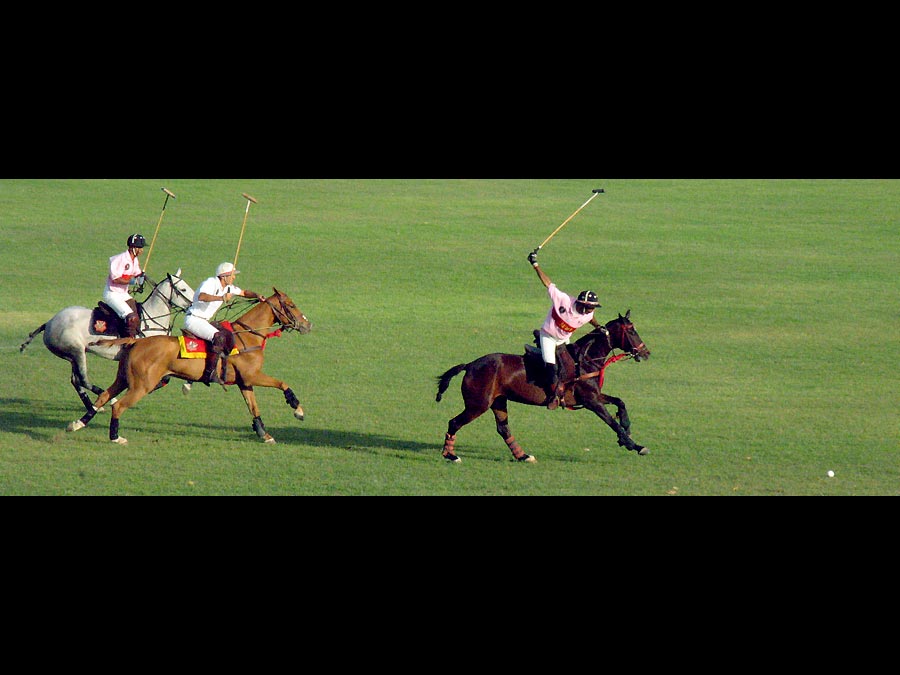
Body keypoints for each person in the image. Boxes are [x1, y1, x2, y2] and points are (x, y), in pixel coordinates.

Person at [527, 249, 606, 409]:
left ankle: (569, 392)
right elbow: (548, 283)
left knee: (571, 367)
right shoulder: (563, 300)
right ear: (583, 305)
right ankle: (553, 397)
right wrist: (535, 264)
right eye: (591, 307)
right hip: (548, 336)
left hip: (563, 340)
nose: (593, 310)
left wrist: (599, 327)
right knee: (552, 366)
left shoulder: (588, 315)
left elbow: (591, 319)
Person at [183, 262, 263, 386]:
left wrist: (257, 296)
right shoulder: (210, 282)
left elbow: (243, 292)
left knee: (229, 336)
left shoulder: (227, 287)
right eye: (232, 275)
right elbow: (202, 296)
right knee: (218, 337)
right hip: (194, 319)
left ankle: (223, 368)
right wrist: (221, 298)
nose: (234, 277)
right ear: (224, 276)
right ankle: (209, 373)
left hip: (204, 321)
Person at [103, 233, 147, 338]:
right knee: (131, 317)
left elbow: (137, 273)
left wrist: (142, 277)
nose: (141, 250)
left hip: (123, 294)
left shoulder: (134, 260)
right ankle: (128, 343)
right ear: (133, 247)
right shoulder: (118, 259)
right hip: (112, 294)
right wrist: (132, 282)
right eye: (140, 247)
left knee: (137, 312)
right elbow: (116, 279)